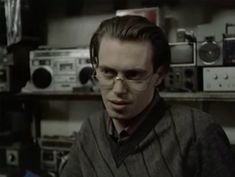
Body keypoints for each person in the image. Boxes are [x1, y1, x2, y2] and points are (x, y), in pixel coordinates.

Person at [61, 15, 235, 177]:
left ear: (159, 75)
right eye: (107, 72)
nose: (119, 89)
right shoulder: (90, 128)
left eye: (134, 75)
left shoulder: (197, 132)